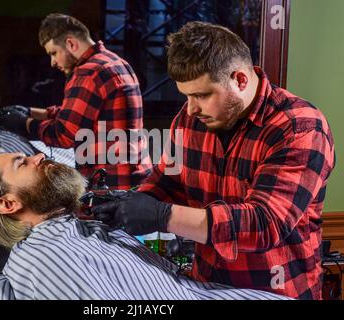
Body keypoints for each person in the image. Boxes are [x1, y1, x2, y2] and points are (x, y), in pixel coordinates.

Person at [92, 22, 336, 300]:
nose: (191, 108)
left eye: (201, 95)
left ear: (240, 80)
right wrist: (130, 206)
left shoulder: (299, 127)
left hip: (276, 291)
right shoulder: (189, 119)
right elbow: (168, 181)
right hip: (206, 288)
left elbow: (264, 224)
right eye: (186, 95)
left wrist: (162, 216)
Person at [0, 145, 289, 300]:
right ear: (8, 203)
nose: (41, 155)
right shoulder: (44, 258)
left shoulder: (82, 230)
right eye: (23, 162)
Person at [0, 13, 152, 190]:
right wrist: (30, 111)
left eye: (54, 53)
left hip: (111, 184)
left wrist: (24, 124)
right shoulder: (115, 62)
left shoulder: (88, 72)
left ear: (70, 43)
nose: (53, 62)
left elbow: (64, 134)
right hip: (134, 175)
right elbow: (80, 114)